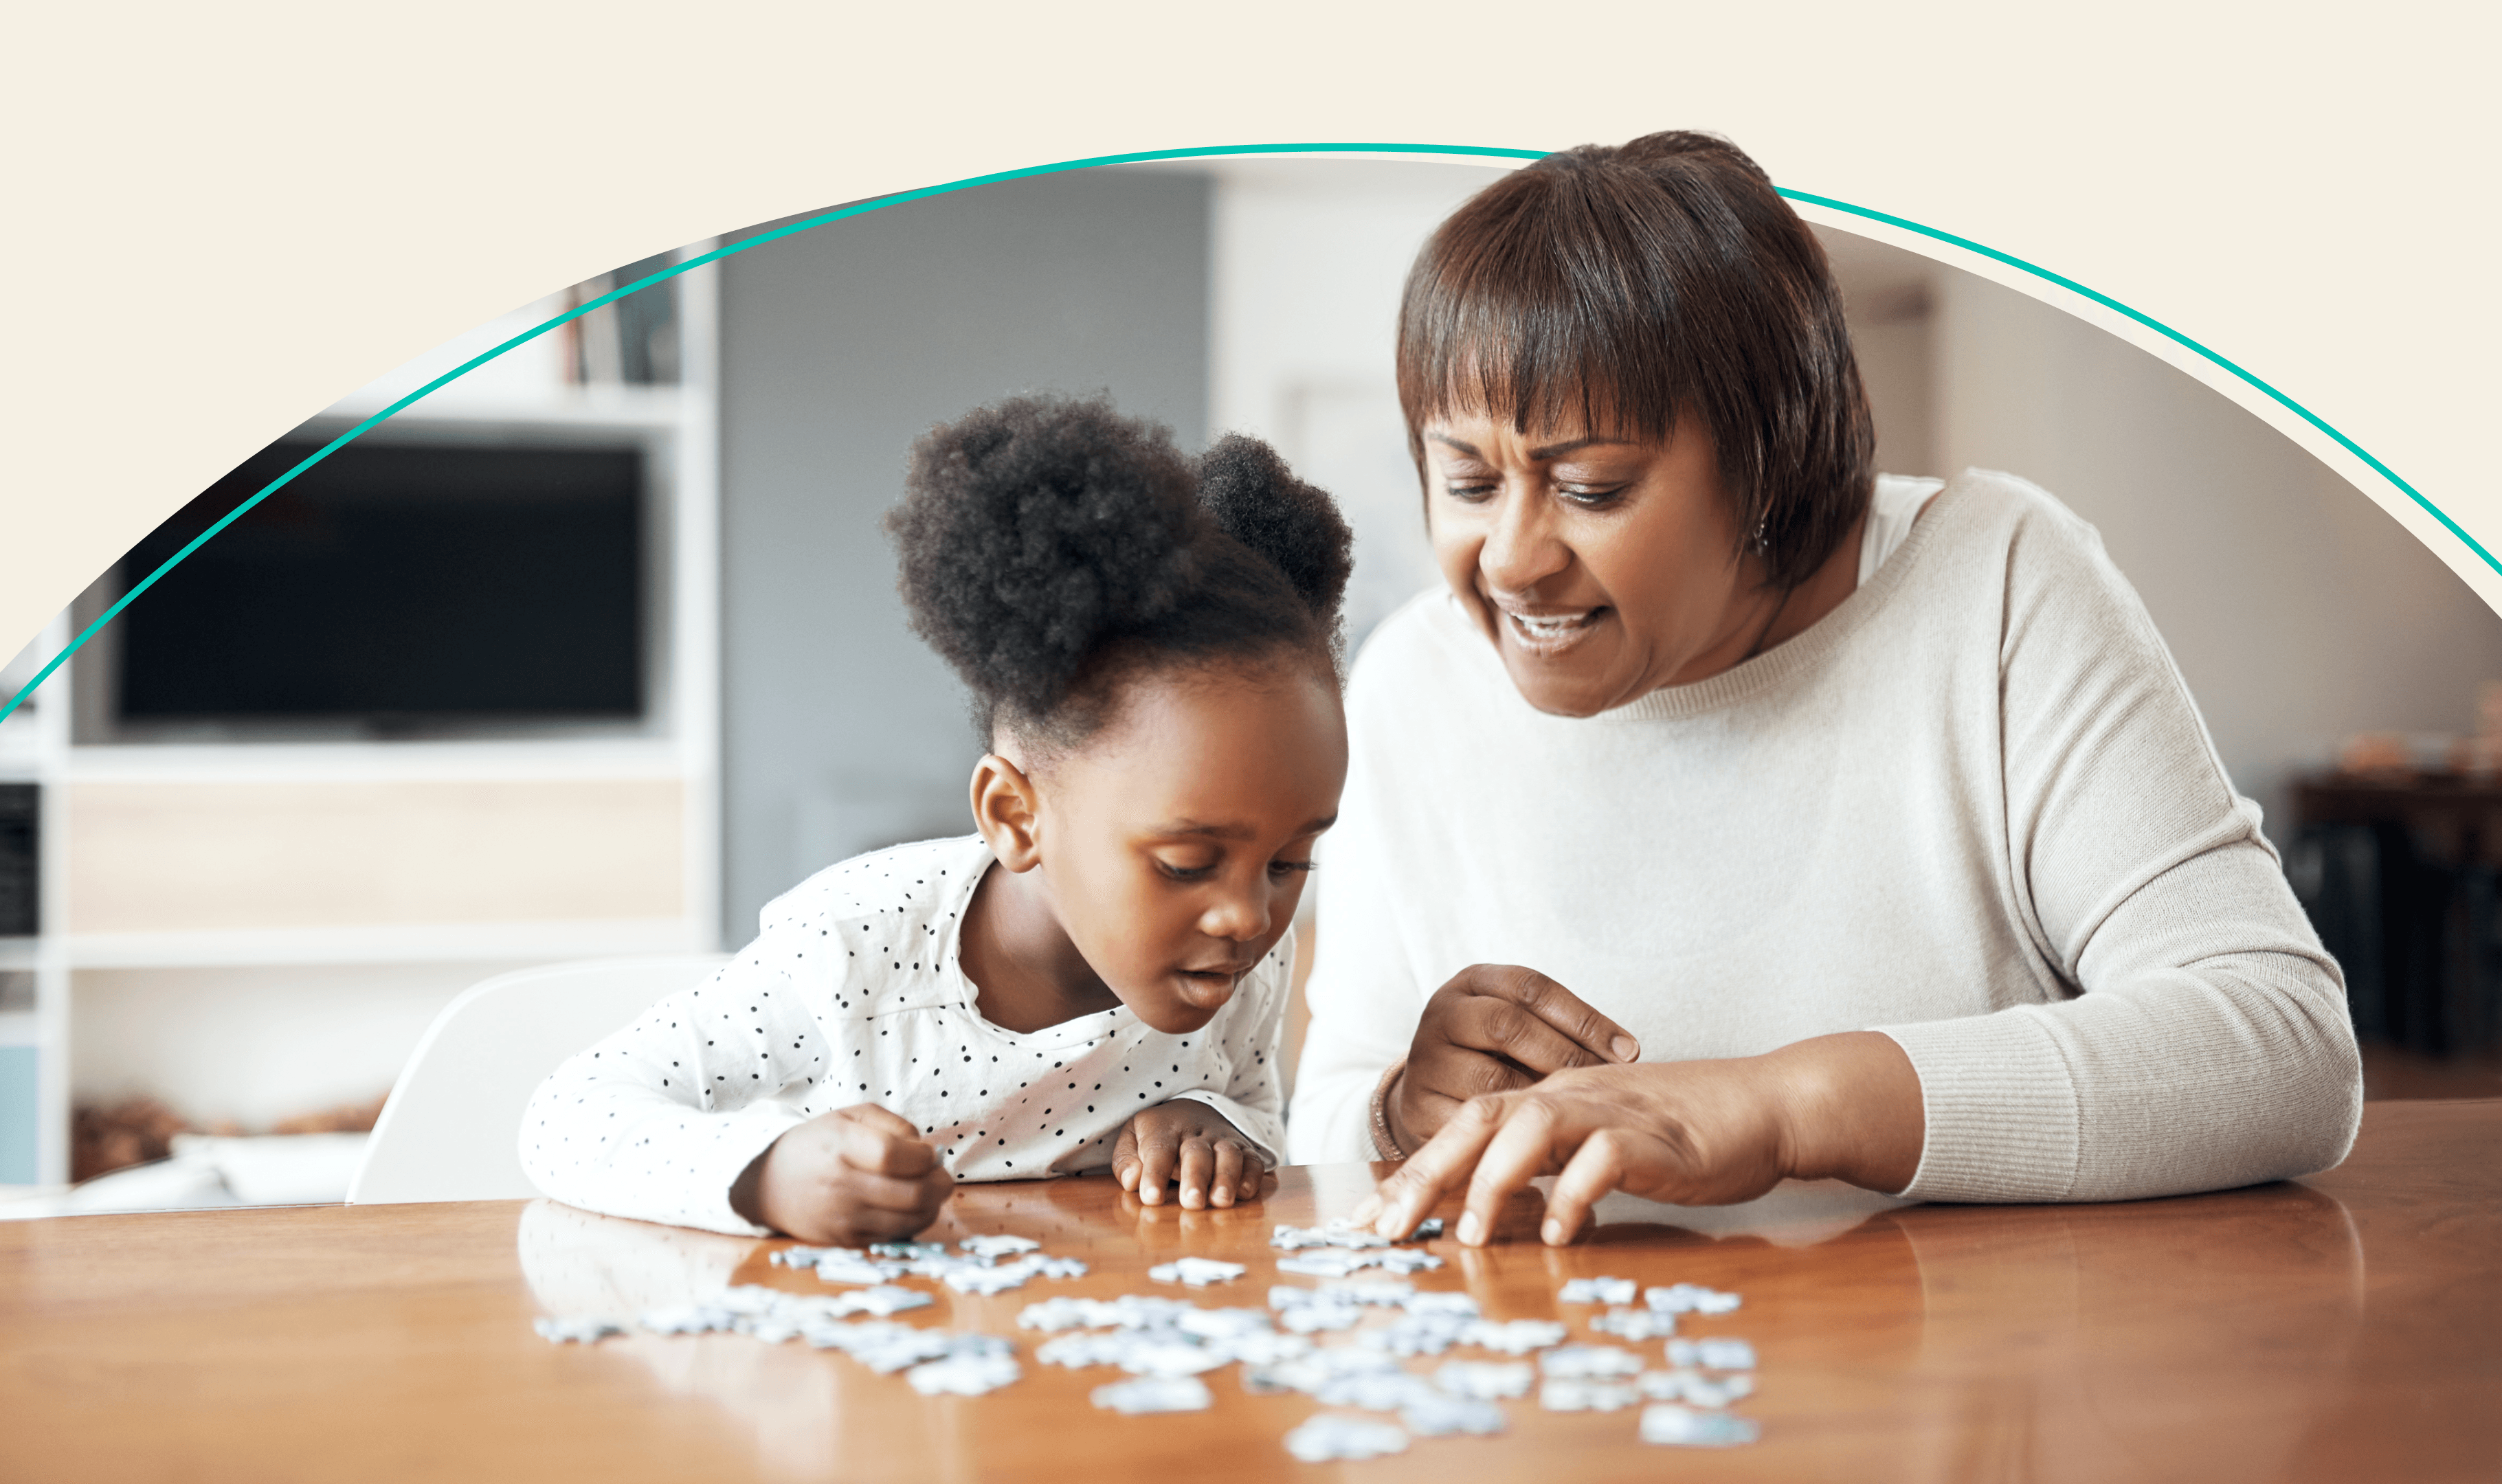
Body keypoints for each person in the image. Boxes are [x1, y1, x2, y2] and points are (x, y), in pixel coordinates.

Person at [1287, 133, 2362, 1246]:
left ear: (1768, 457)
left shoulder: (1995, 586)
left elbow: (2281, 1048)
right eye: (1466, 479)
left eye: (1591, 487)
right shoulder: (1410, 685)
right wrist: (1399, 1112)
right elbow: (1322, 1126)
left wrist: (1785, 1106)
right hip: (1557, 1397)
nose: (1509, 558)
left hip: (1962, 1385)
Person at [522, 394, 1353, 1242]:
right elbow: (569, 1116)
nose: (1250, 914)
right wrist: (768, 1175)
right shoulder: (851, 949)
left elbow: (1258, 1112)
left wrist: (1219, 1129)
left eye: (1291, 862)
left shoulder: (1241, 954)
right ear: (1016, 817)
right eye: (1186, 862)